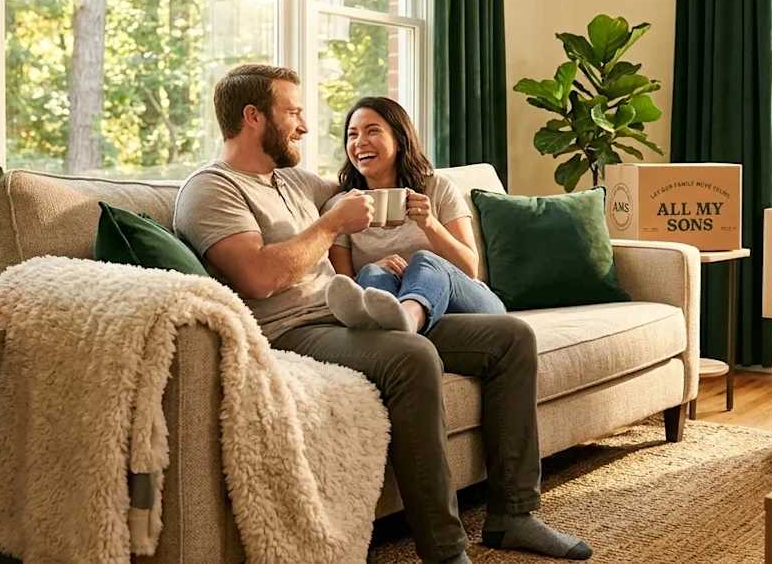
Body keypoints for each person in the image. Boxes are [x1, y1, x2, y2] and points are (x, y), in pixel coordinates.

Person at [173, 64, 592, 564]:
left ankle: (513, 517)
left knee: (509, 338)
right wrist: (332, 225)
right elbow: (260, 277)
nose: (304, 126)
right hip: (291, 330)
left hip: (341, 318)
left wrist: (408, 206)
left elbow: (365, 191)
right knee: (410, 355)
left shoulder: (293, 181)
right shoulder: (212, 190)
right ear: (253, 117)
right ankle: (445, 551)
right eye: (293, 112)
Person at [323, 96, 506, 334]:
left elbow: (469, 268)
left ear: (399, 140)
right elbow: (343, 284)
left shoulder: (438, 188)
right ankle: (391, 327)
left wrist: (430, 224)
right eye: (352, 135)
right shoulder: (341, 207)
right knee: (372, 273)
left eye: (372, 131)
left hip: (466, 301)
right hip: (394, 303)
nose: (360, 142)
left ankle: (407, 319)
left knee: (425, 260)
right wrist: (372, 268)